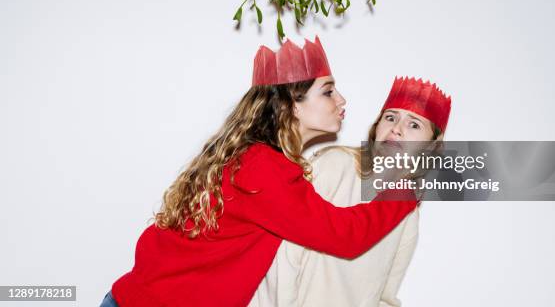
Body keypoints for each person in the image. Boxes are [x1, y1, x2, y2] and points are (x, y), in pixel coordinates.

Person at [101, 38, 419, 307]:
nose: (341, 100)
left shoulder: (254, 159)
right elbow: (343, 236)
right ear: (292, 104)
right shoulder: (263, 169)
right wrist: (405, 191)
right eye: (328, 91)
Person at [250, 76, 451, 307]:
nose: (396, 129)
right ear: (377, 128)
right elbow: (284, 255)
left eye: (414, 124)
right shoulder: (336, 164)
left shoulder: (408, 211)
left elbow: (385, 295)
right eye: (390, 117)